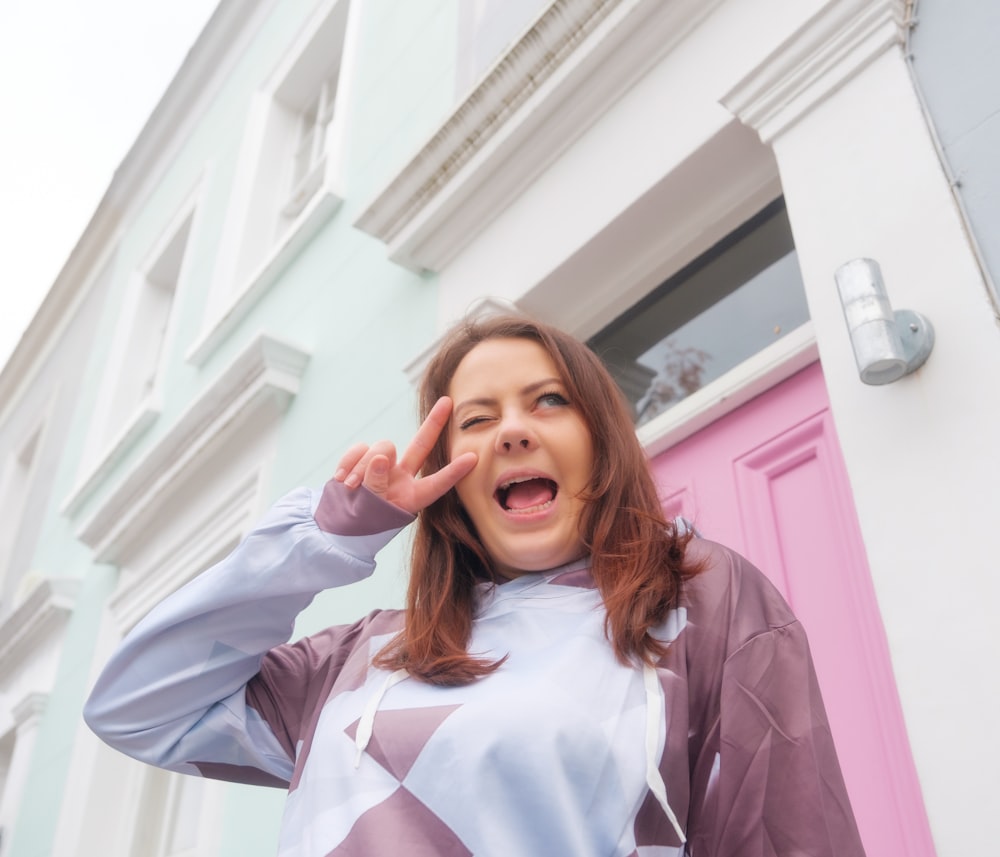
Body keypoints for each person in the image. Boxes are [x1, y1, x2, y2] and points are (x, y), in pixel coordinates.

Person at [84, 313, 866, 856]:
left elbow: (786, 831)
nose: (515, 430)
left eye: (549, 401)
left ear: (600, 444)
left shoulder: (696, 600)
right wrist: (323, 542)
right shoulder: (356, 660)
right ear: (449, 483)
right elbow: (136, 706)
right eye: (478, 418)